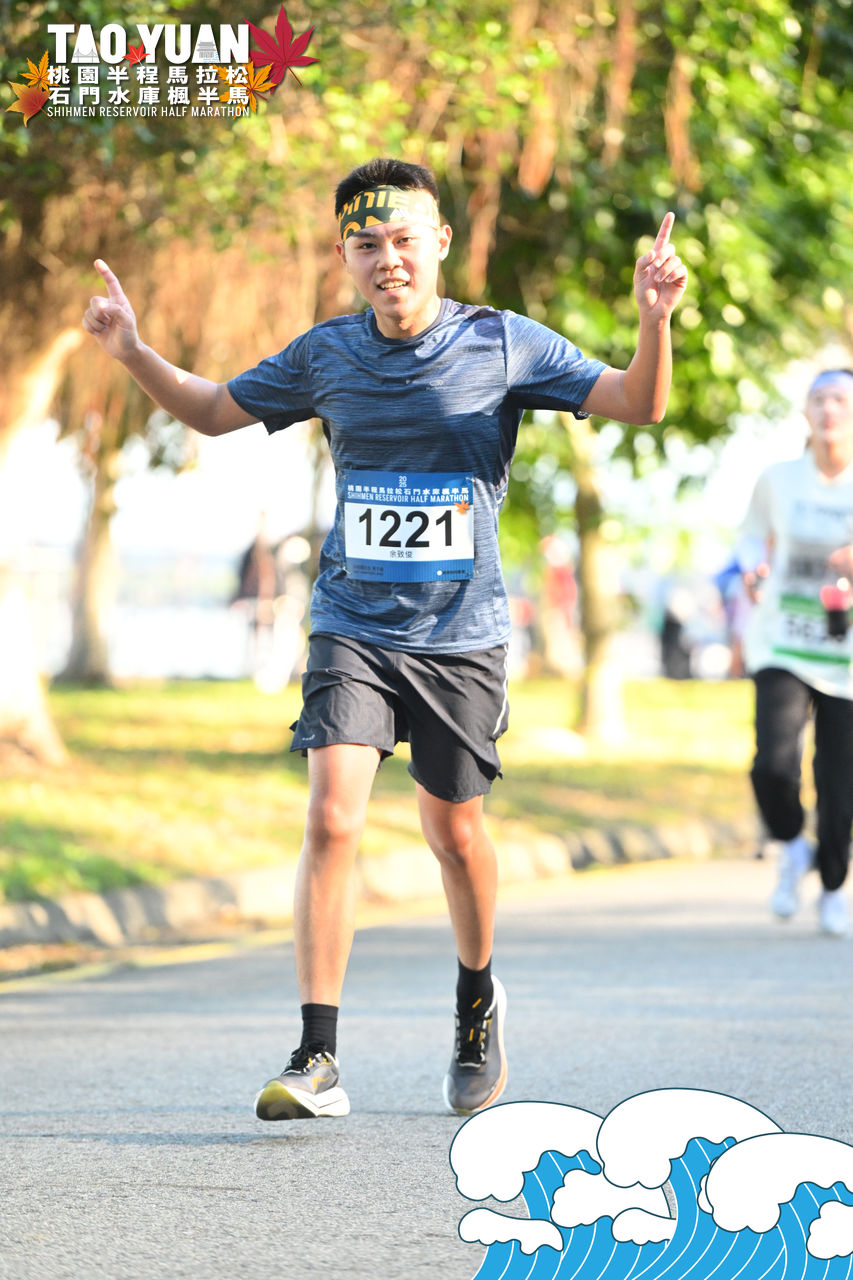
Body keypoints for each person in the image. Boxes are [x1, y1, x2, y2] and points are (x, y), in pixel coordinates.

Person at [82, 157, 687, 1119]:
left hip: (460, 635)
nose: (387, 259)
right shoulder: (326, 354)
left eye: (403, 239)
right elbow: (213, 410)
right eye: (366, 244)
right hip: (352, 624)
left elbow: (636, 402)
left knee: (454, 833)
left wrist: (654, 321)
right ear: (344, 256)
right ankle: (317, 1054)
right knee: (331, 819)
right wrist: (132, 353)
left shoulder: (500, 343)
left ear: (439, 242)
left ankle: (476, 998)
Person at [739, 369, 853, 936]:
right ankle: (790, 845)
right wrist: (751, 568)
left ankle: (833, 887)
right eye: (819, 399)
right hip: (781, 640)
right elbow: (749, 535)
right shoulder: (778, 479)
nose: (829, 409)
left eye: (841, 400)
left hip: (847, 656)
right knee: (772, 766)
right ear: (806, 412)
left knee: (839, 784)